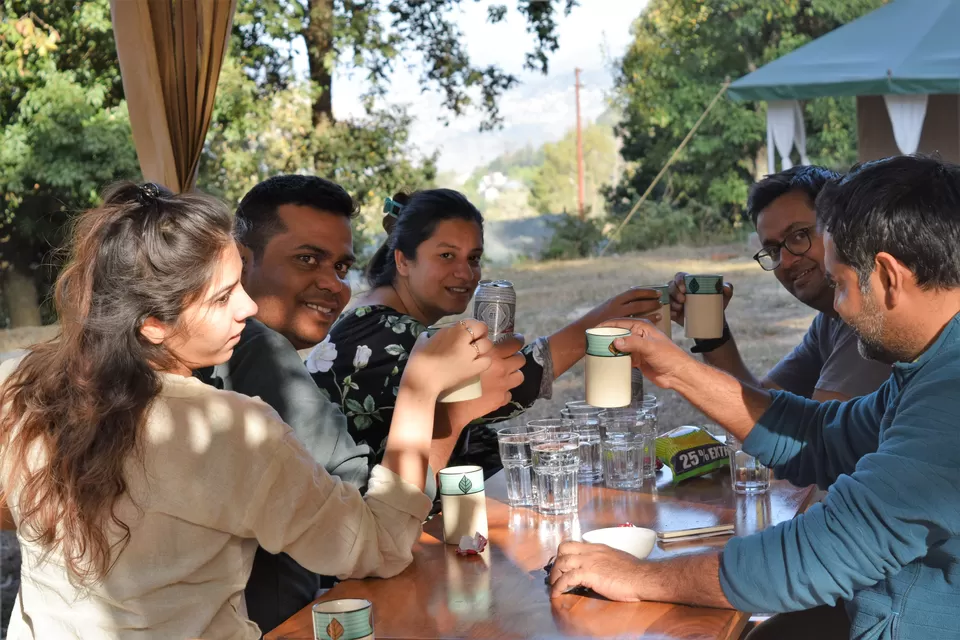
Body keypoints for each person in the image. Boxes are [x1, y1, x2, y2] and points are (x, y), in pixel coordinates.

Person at [0, 182, 493, 639]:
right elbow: (377, 548)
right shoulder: (231, 428)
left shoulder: (17, 383)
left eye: (239, 282)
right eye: (222, 297)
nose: (248, 308)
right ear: (152, 322)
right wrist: (420, 391)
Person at [547, 155, 960, 640]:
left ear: (889, 277)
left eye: (842, 286)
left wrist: (639, 576)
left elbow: (819, 555)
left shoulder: (950, 396)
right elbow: (820, 438)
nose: (840, 309)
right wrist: (678, 371)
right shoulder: (930, 367)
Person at [194, 174, 520, 632]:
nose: (333, 285)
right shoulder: (257, 352)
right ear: (241, 260)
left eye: (341, 268)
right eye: (307, 259)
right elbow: (378, 536)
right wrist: (446, 407)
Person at [311, 188, 663, 474]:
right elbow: (496, 392)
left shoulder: (383, 320)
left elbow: (470, 420)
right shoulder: (380, 335)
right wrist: (594, 325)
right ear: (403, 260)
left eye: (474, 258)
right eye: (447, 256)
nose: (466, 274)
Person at [669, 166, 890, 402]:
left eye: (798, 236)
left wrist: (670, 366)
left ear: (840, 228)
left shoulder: (872, 314)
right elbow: (761, 404)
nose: (785, 261)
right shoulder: (829, 321)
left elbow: (816, 433)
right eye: (773, 250)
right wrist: (709, 328)